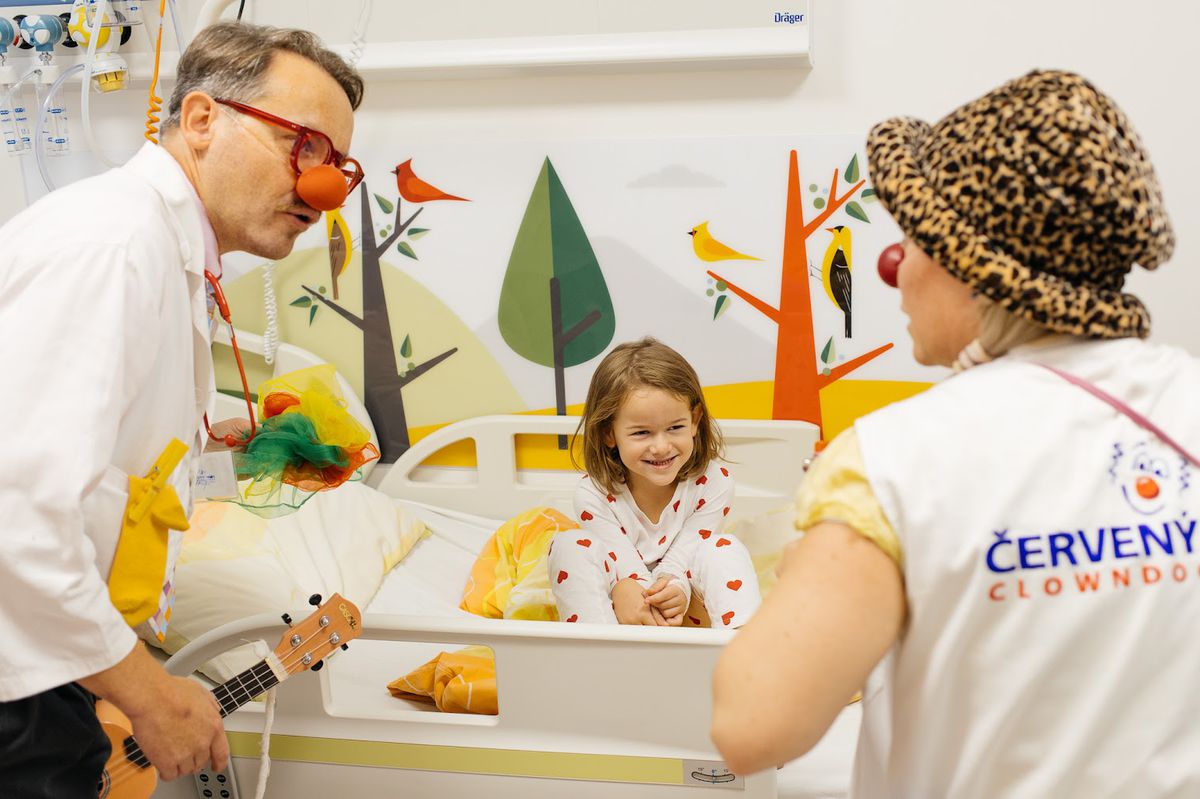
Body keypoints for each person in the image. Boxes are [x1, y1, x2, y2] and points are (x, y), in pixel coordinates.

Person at [711, 69, 1199, 797]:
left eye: (911, 239)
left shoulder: (893, 459)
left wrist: (807, 569)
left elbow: (752, 725)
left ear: (972, 267)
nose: (896, 268)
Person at [0, 22, 363, 795]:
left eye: (338, 165)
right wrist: (148, 692)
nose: (324, 187)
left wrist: (220, 441)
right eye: (304, 146)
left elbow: (103, 448)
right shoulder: (112, 245)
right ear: (201, 120)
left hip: (50, 656)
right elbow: (17, 507)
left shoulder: (164, 250)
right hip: (20, 671)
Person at [550, 338, 761, 627]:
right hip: (623, 615)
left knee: (723, 548)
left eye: (675, 428)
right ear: (609, 434)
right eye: (641, 433)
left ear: (695, 421)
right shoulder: (593, 494)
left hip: (688, 612)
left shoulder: (714, 482)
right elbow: (626, 570)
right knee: (569, 545)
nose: (661, 447)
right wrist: (627, 589)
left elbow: (685, 557)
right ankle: (598, 650)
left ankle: (743, 647)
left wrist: (676, 590)